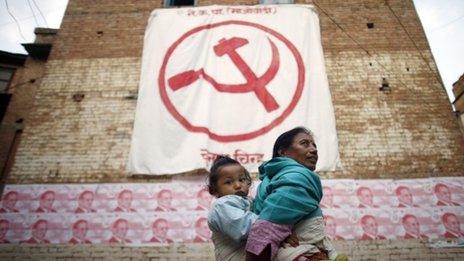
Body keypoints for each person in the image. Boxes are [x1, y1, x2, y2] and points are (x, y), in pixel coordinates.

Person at [246, 127, 346, 260]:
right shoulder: (297, 178)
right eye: (304, 143)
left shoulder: (272, 178)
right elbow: (265, 232)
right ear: (283, 152)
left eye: (314, 145)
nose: (314, 149)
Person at [207, 156, 304, 261]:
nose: (238, 185)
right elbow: (245, 226)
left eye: (242, 179)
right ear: (214, 189)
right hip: (236, 256)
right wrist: (279, 232)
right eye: (228, 182)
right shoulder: (221, 206)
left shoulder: (250, 201)